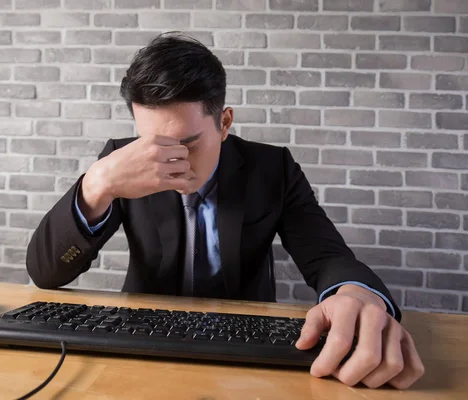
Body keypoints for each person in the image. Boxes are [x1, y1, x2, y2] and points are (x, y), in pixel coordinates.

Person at [26, 33, 424, 389]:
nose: (172, 162)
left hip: (245, 351)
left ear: (225, 122)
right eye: (154, 144)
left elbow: (328, 257)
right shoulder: (120, 163)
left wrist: (357, 295)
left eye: (188, 144)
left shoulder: (273, 169)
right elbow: (47, 272)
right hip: (143, 344)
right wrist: (96, 185)